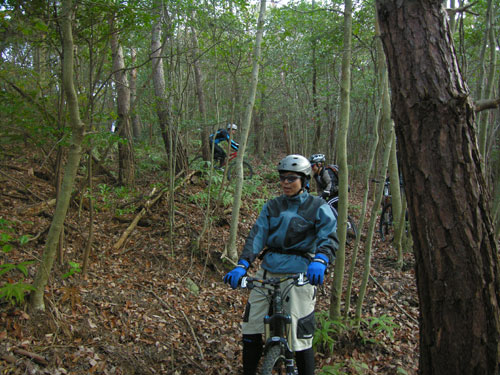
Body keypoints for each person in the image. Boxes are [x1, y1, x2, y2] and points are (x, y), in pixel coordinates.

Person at [223, 154, 338, 375]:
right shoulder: (272, 206)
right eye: (282, 178)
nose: (285, 183)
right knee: (251, 327)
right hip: (268, 270)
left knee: (300, 334)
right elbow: (257, 235)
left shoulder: (317, 206)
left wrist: (321, 260)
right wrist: (242, 265)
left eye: (291, 178)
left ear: (304, 181)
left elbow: (329, 235)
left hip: (300, 272)